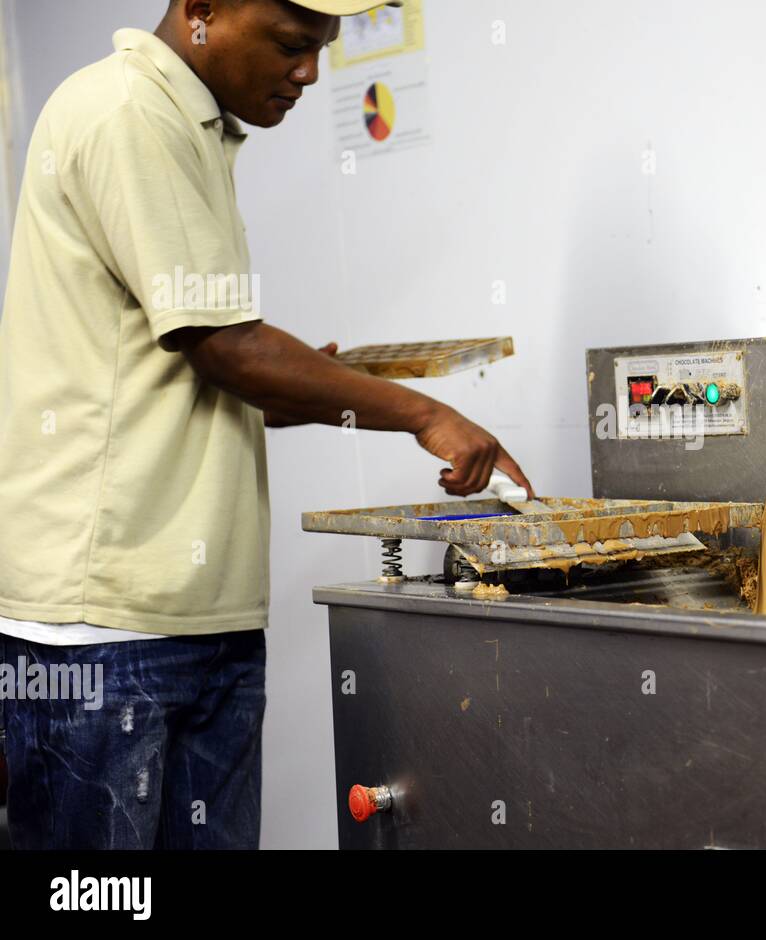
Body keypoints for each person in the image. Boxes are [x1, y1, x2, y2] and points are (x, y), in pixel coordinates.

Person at [0, 0, 532, 849]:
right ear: (203, 9)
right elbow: (228, 351)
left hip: (200, 618)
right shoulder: (129, 111)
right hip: (104, 626)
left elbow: (220, 375)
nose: (309, 73)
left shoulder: (195, 130)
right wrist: (427, 414)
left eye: (321, 49)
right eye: (291, 45)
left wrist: (325, 379)